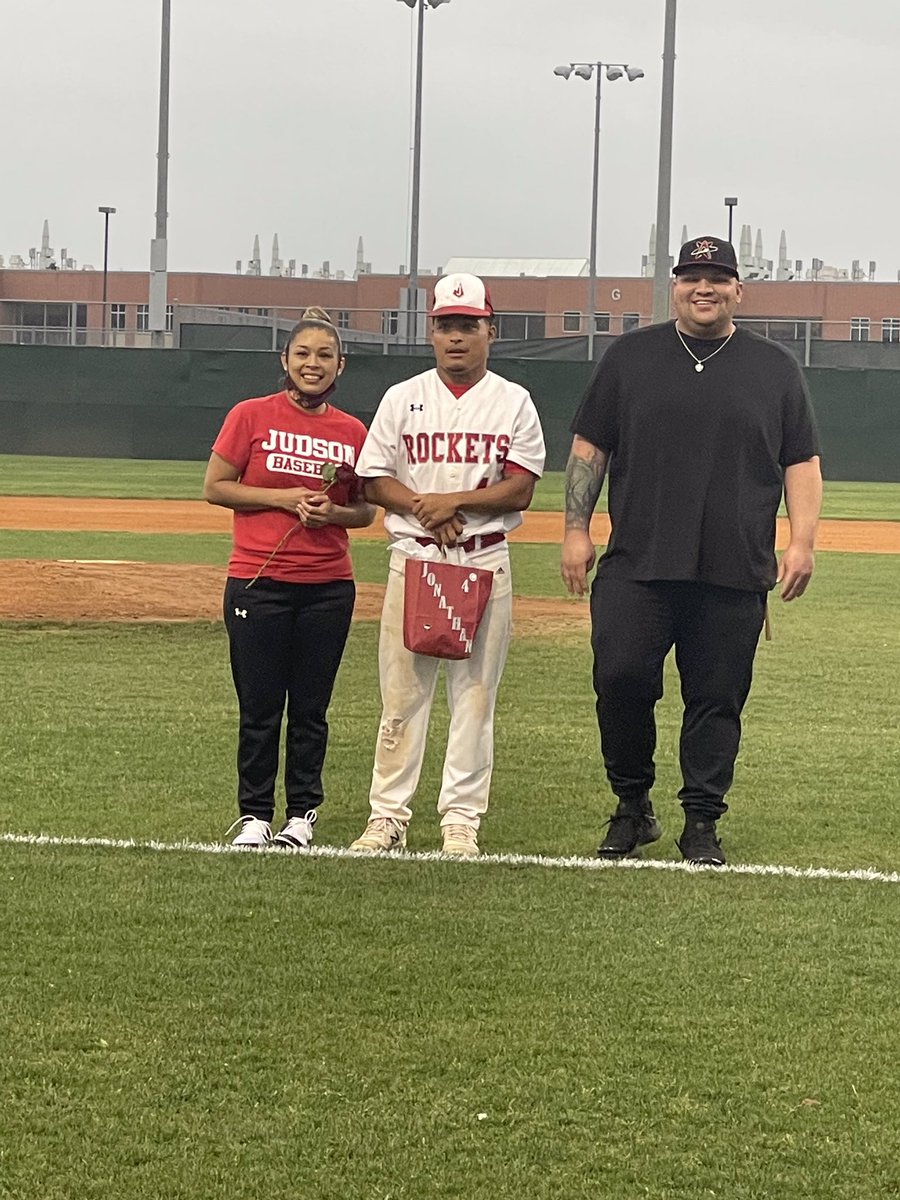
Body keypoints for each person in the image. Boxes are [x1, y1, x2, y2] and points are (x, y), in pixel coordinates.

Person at [561, 236, 822, 866]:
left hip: (732, 567)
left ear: (739, 289)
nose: (704, 288)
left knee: (716, 698)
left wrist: (802, 542)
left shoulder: (775, 367)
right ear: (674, 285)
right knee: (620, 679)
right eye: (691, 277)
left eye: (717, 278)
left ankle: (702, 819)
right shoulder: (630, 356)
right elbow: (589, 449)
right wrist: (575, 528)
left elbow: (801, 461)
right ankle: (633, 806)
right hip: (638, 563)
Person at [350, 273, 546, 857]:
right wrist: (423, 508)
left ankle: (460, 821)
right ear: (431, 332)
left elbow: (519, 491)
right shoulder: (402, 396)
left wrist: (452, 503)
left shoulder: (513, 400)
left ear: (491, 330)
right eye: (445, 326)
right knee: (402, 697)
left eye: (468, 325)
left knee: (475, 697)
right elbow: (372, 477)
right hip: (415, 558)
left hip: (484, 561)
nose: (456, 336)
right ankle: (387, 816)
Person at [203, 307, 375, 849]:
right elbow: (216, 486)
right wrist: (282, 498)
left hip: (327, 586)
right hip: (258, 582)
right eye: (302, 353)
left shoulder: (352, 430)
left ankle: (301, 814)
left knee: (310, 709)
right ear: (285, 360)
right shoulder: (251, 415)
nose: (313, 363)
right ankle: (254, 816)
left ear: (340, 366)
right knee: (259, 708)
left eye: (325, 355)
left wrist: (334, 515)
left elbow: (366, 511)